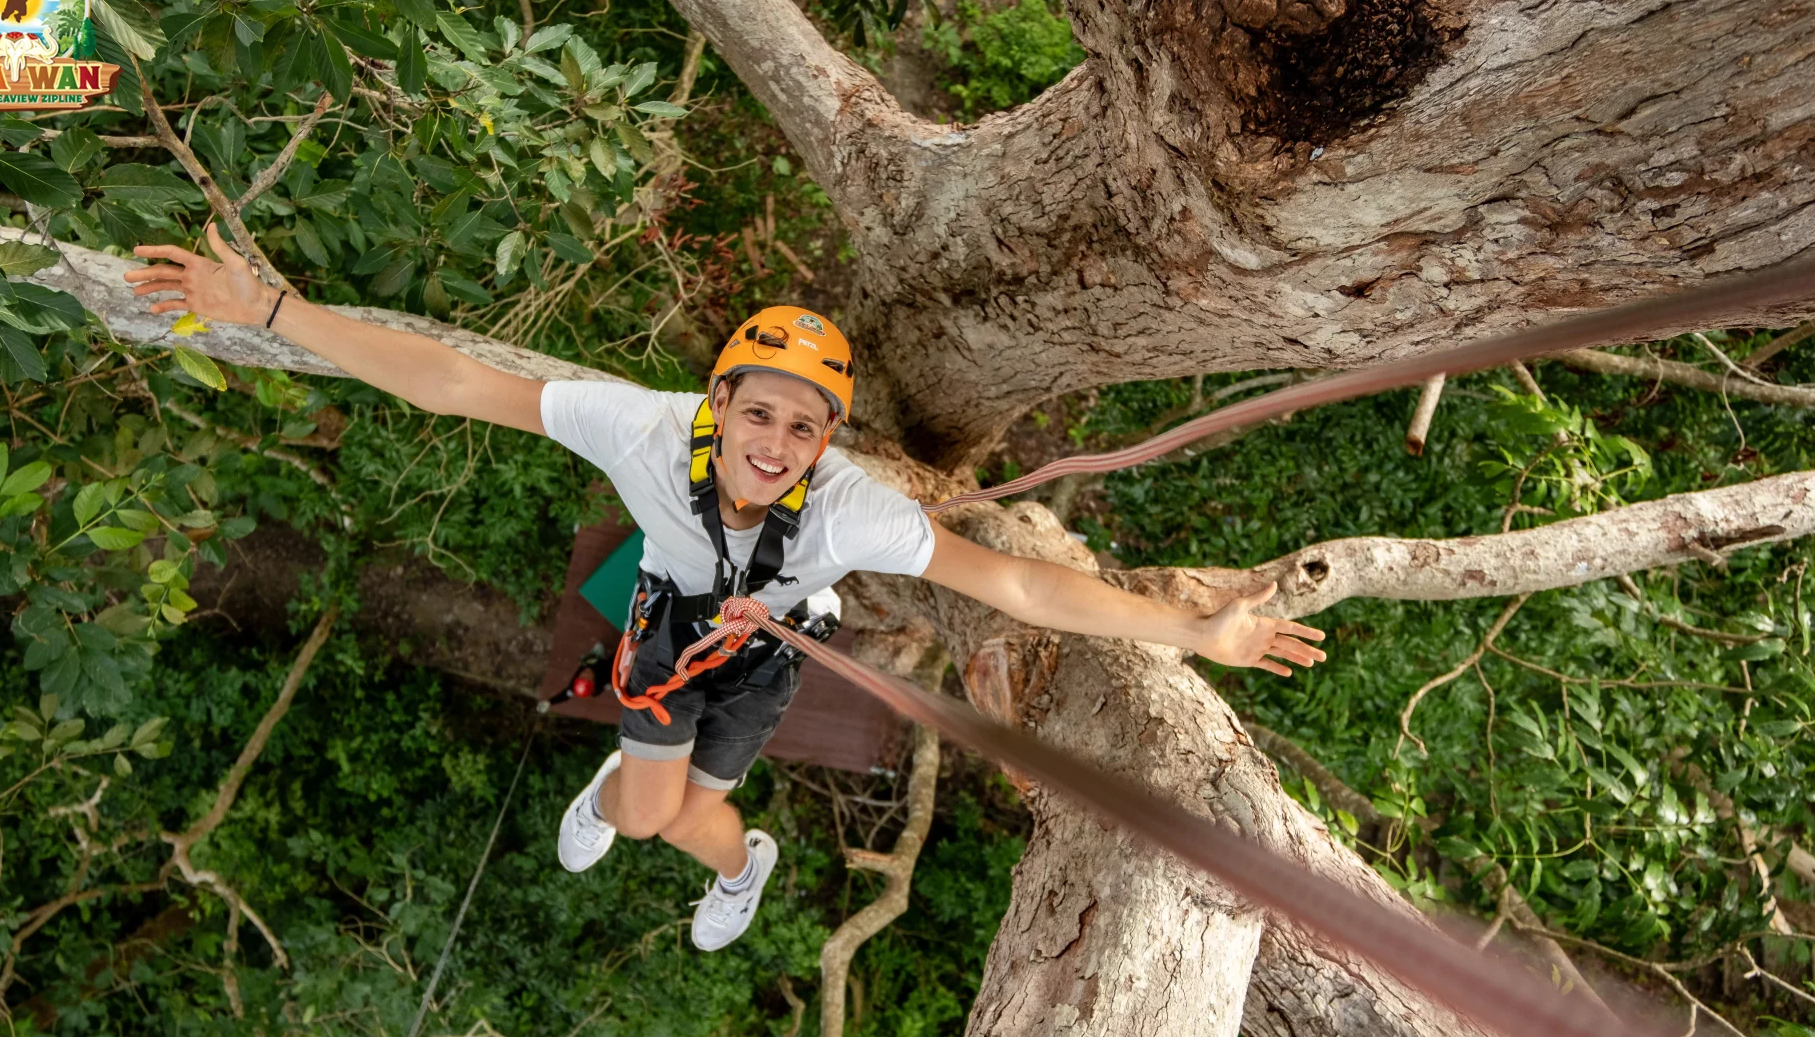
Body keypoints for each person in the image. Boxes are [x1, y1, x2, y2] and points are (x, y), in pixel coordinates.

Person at [123, 225, 1328, 952]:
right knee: (649, 814)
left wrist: (1192, 631)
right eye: (761, 410)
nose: (778, 439)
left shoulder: (849, 502)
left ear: (825, 439)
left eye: (805, 425)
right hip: (661, 631)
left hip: (764, 651)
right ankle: (690, 829)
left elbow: (1013, 579)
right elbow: (451, 380)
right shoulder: (645, 431)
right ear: (717, 405)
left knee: (680, 809)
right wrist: (272, 310)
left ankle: (736, 858)